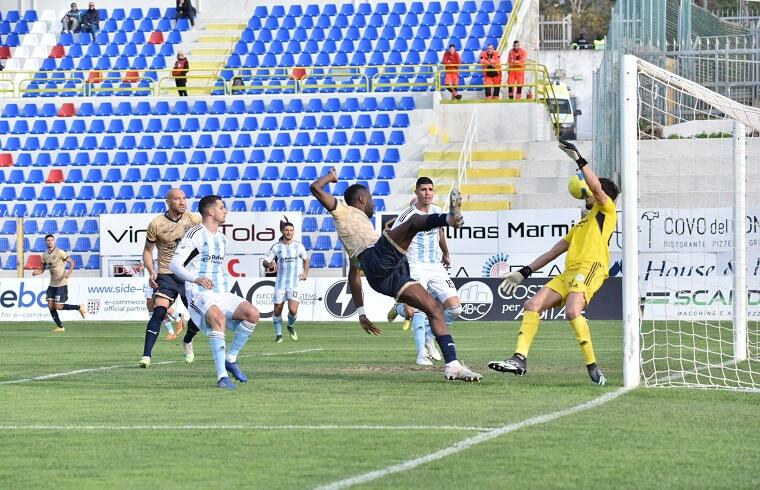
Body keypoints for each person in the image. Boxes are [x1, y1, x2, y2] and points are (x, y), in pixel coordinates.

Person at [310, 169, 481, 382]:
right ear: (362, 199)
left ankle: (452, 365)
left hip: (382, 276)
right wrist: (330, 178)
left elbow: (354, 277)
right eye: (371, 199)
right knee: (412, 223)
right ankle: (449, 219)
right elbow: (315, 188)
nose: (373, 204)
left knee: (433, 308)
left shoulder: (357, 232)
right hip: (376, 260)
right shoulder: (343, 210)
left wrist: (362, 314)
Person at [488, 140, 620, 385]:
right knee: (531, 305)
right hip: (569, 272)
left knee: (571, 311)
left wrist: (579, 160)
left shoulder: (606, 210)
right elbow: (553, 251)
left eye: (592, 189)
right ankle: (519, 359)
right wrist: (524, 272)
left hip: (591, 268)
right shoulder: (582, 223)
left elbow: (597, 189)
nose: (587, 192)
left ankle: (593, 367)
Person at [171, 195, 261, 390]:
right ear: (211, 211)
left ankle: (231, 359)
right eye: (222, 207)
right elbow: (175, 264)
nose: (226, 211)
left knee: (252, 314)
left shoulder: (222, 240)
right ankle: (222, 377)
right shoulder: (194, 234)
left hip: (221, 292)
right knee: (218, 319)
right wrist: (195, 279)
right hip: (199, 292)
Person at [386, 177, 462, 366]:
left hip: (435, 265)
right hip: (415, 265)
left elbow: (440, 233)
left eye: (430, 189)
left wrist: (445, 253)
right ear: (416, 192)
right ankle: (421, 354)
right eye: (423, 190)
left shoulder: (437, 211)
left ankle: (429, 334)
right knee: (419, 310)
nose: (427, 193)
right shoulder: (407, 215)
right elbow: (393, 240)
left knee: (455, 308)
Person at [139, 188, 201, 368]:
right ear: (168, 202)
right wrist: (151, 271)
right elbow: (148, 251)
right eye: (177, 199)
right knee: (159, 311)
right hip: (166, 273)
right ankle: (146, 356)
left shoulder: (194, 219)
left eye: (184, 198)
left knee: (200, 316)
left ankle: (187, 340)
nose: (182, 202)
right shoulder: (156, 224)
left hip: (188, 274)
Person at [262, 221, 309, 343]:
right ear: (283, 231)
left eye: (291, 230)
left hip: (294, 284)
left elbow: (306, 259)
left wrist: (305, 273)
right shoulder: (276, 247)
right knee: (277, 309)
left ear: (293, 232)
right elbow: (265, 261)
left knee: (293, 310)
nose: (289, 232)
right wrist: (269, 263)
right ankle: (278, 335)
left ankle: (290, 326)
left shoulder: (299, 246)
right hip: (280, 284)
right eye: (287, 230)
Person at [32, 234, 85, 332]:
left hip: (61, 282)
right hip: (52, 283)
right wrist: (37, 272)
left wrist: (68, 273)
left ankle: (79, 307)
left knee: (58, 306)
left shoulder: (60, 252)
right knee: (50, 305)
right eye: (48, 240)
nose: (50, 242)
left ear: (54, 241)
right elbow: (42, 269)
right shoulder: (44, 255)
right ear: (45, 242)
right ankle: (60, 327)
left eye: (52, 240)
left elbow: (72, 262)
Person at [139, 262, 186, 341]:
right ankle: (172, 327)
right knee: (150, 305)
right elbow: (145, 262)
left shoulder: (168, 251)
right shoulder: (150, 250)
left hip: (163, 280)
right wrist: (140, 267)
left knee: (159, 307)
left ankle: (174, 321)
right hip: (152, 279)